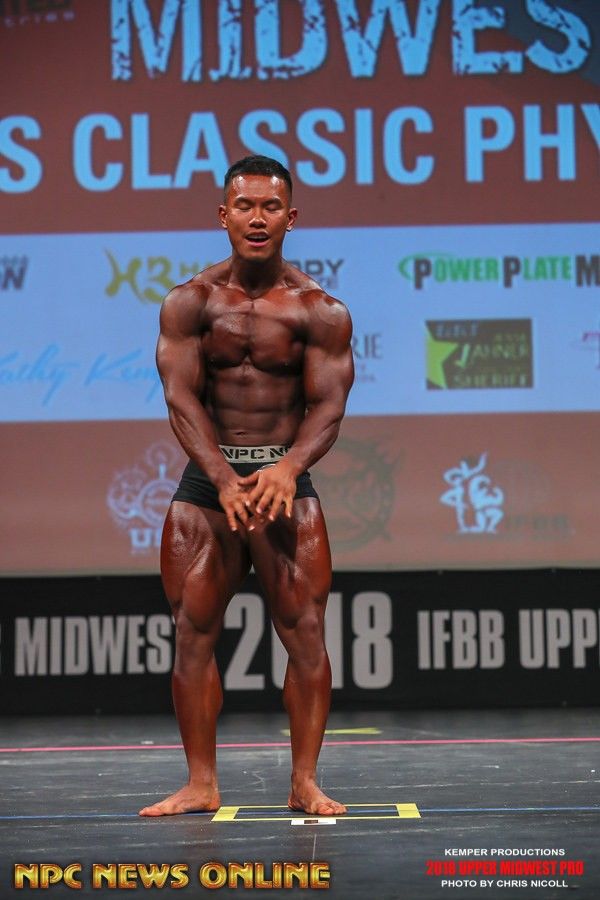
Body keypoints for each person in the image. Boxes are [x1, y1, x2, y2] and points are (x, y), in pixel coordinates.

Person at [139, 155, 354, 817]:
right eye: (245, 206)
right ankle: (201, 782)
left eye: (270, 207)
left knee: (306, 631)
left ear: (291, 217)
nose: (257, 218)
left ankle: (304, 781)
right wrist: (222, 479)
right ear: (223, 215)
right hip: (210, 486)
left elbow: (329, 407)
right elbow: (181, 399)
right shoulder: (191, 303)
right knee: (193, 631)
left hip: (283, 482)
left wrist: (286, 469)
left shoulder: (320, 311)